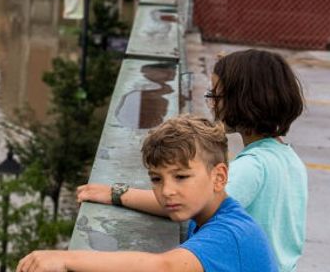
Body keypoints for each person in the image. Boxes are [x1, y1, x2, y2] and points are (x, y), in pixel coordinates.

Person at [76, 49, 307, 272]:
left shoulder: (253, 166)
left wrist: (117, 194)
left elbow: (185, 201)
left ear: (244, 100)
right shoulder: (288, 157)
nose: (213, 104)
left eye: (216, 95)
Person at [17, 115, 277, 272]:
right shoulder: (212, 212)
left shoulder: (229, 234)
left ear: (218, 177)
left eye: (181, 177)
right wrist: (116, 194)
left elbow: (164, 267)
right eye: (156, 179)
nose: (167, 191)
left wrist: (64, 258)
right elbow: (167, 204)